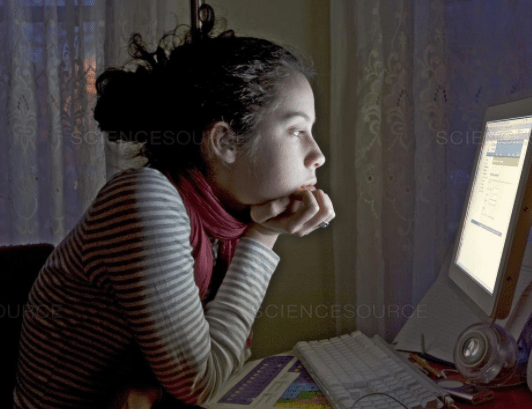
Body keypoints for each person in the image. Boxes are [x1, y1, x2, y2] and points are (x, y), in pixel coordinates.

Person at [13, 5, 334, 408]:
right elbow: (201, 384)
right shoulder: (148, 199)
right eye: (297, 130)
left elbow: (217, 365)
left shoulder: (221, 219)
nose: (317, 154)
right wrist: (264, 236)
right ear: (225, 142)